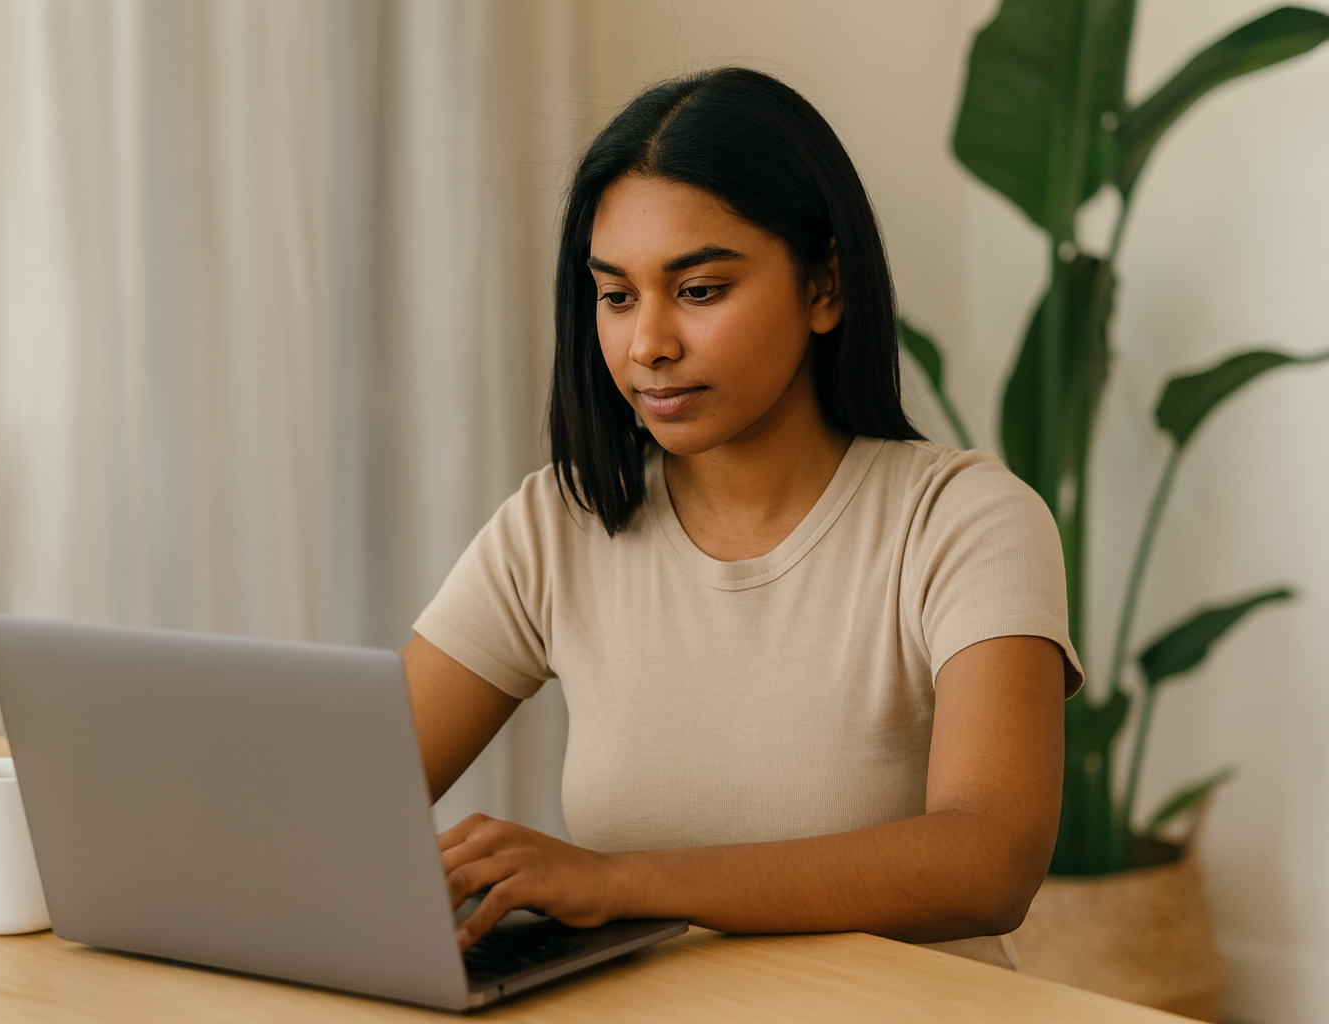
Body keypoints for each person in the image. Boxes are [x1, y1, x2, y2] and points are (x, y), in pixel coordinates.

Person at [403, 67, 1081, 969]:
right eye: (615, 295)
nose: (648, 343)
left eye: (699, 290)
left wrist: (617, 882)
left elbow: (989, 861)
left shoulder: (964, 522)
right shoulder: (556, 527)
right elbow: (346, 798)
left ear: (825, 285)